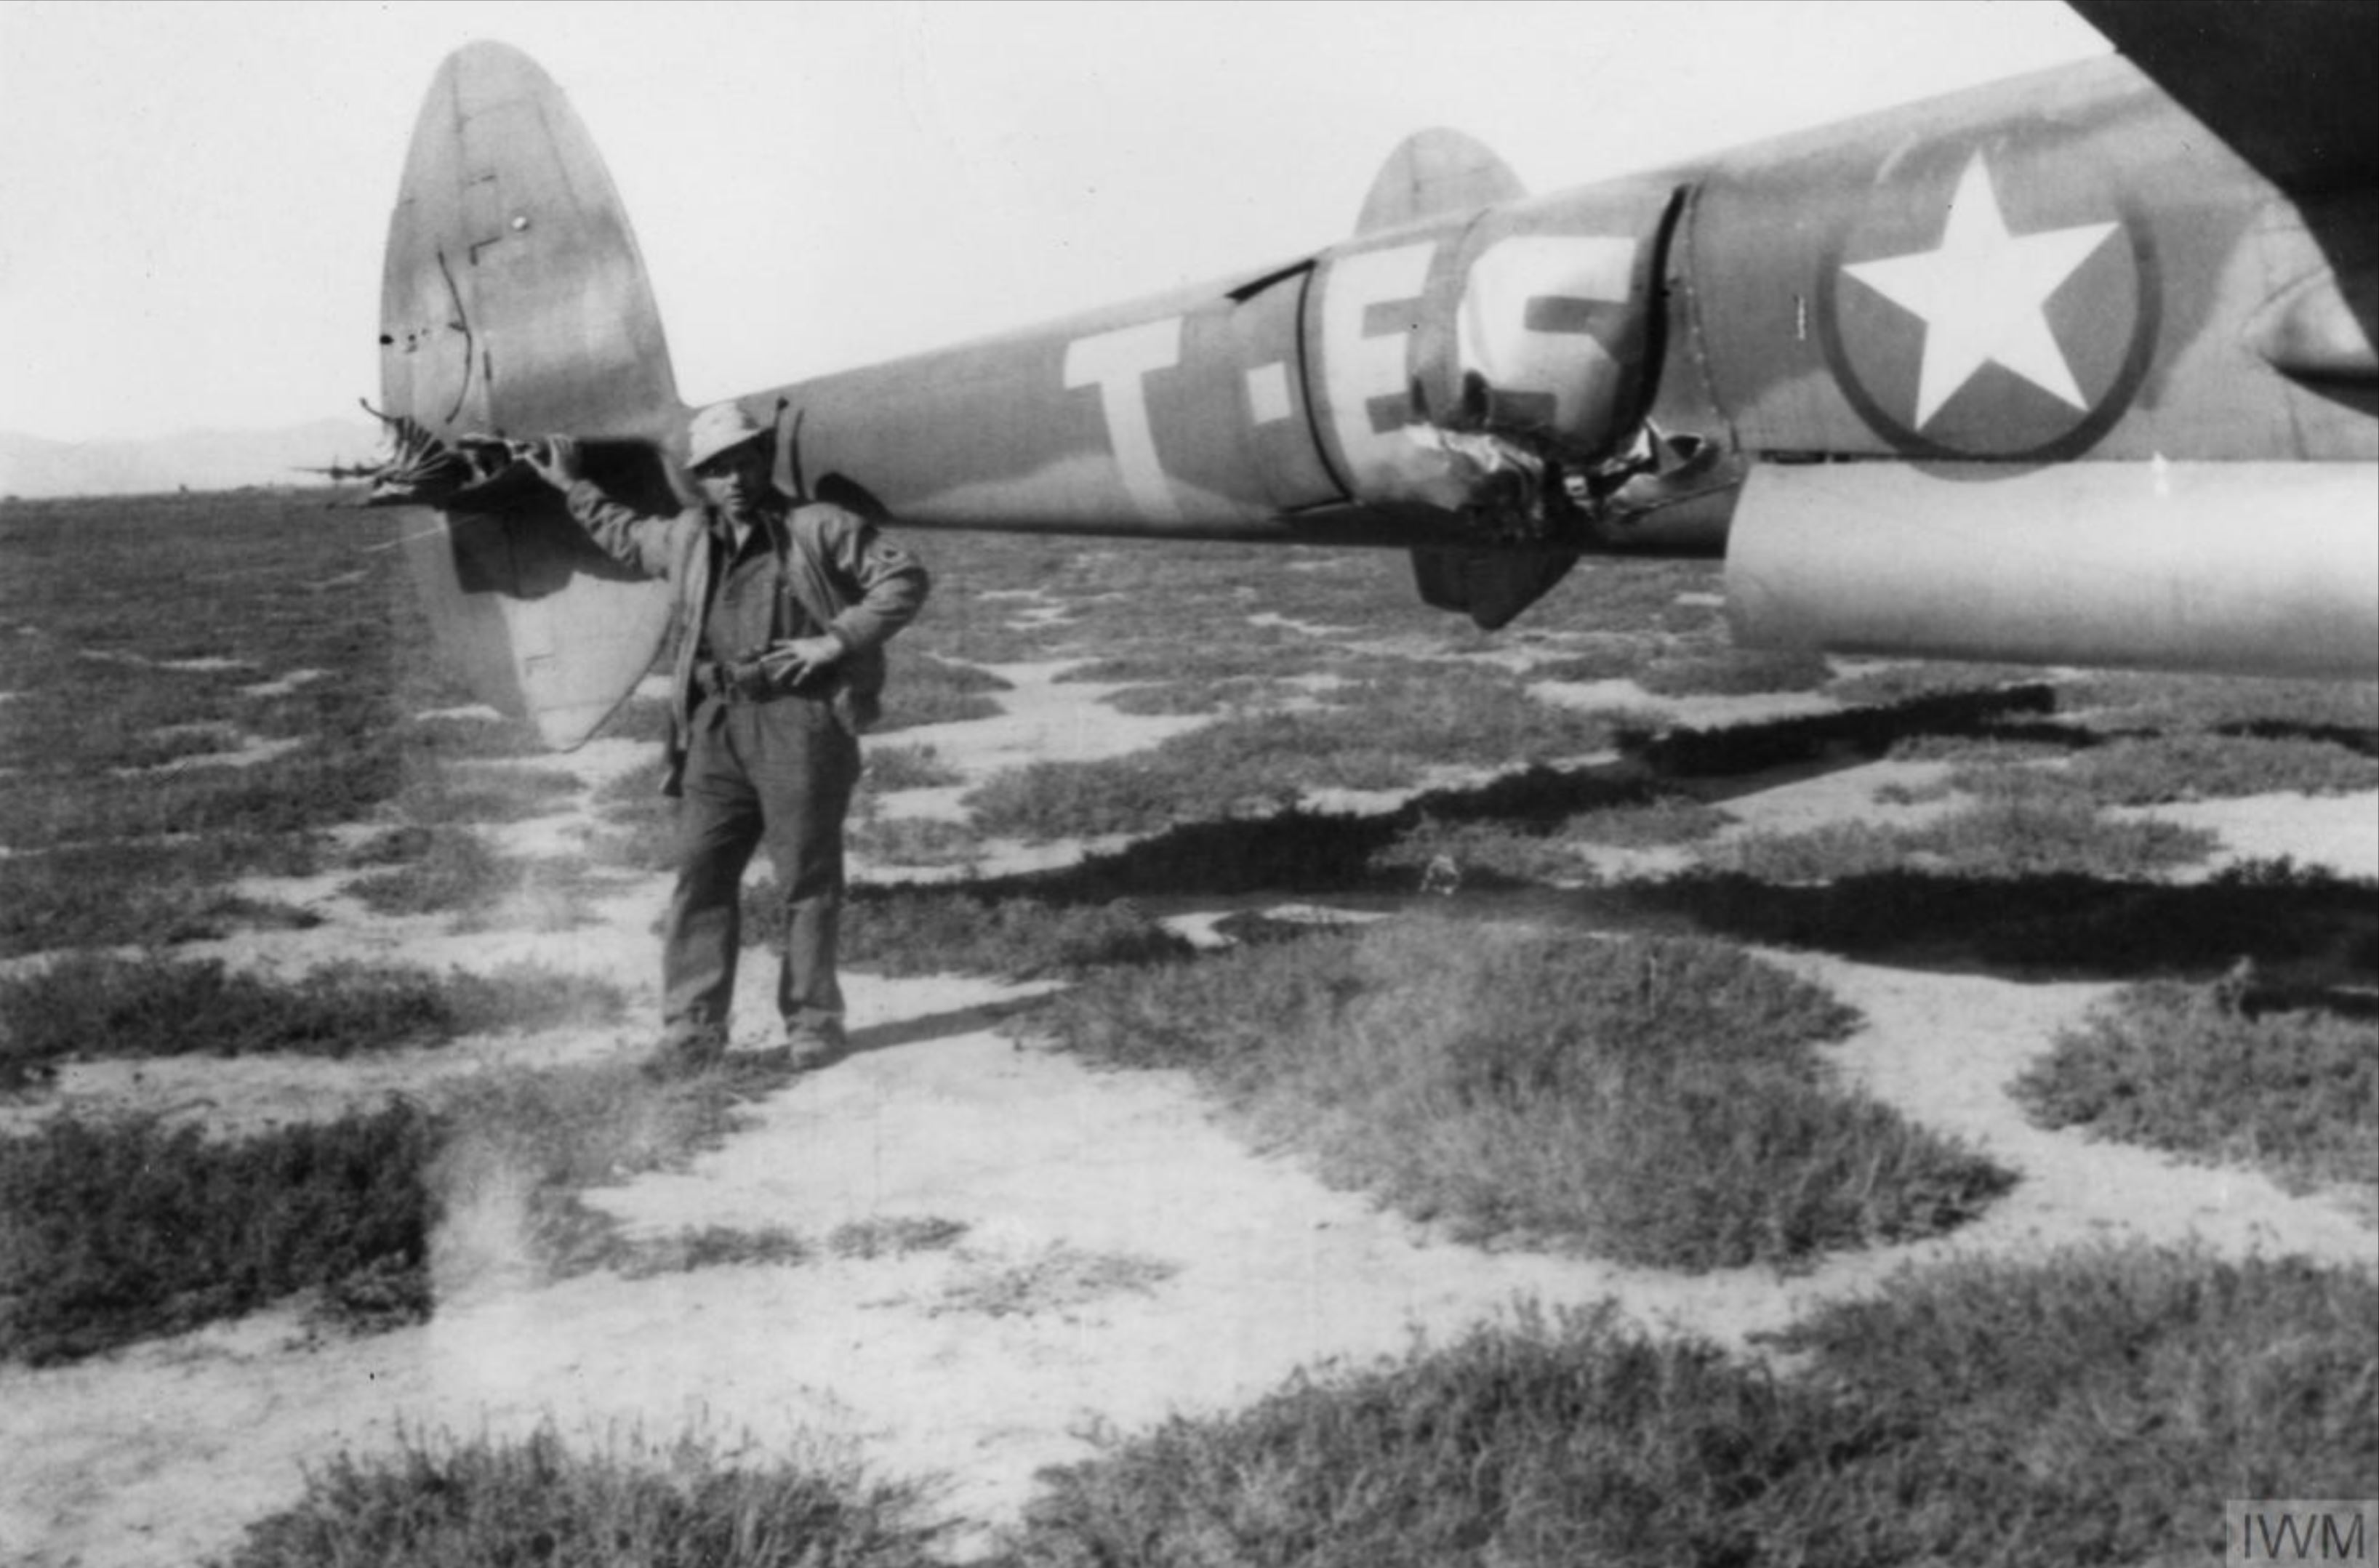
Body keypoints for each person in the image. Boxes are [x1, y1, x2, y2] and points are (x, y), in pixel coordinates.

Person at [523, 402, 929, 1074]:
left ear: (763, 460)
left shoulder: (819, 527)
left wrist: (836, 640)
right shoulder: (686, 536)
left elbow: (904, 577)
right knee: (701, 877)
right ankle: (691, 1033)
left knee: (808, 880)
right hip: (714, 725)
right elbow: (625, 534)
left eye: (742, 462)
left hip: (801, 720)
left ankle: (813, 1025)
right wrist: (571, 486)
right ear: (700, 480)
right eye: (715, 470)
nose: (733, 480)